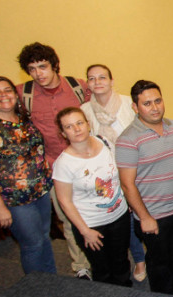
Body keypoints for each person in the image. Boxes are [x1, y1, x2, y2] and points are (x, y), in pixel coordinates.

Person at [0, 43, 92, 279]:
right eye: (32, 69)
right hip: (50, 174)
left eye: (42, 67)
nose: (38, 74)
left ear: (54, 65)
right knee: (65, 222)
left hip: (68, 173)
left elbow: (100, 102)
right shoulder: (23, 93)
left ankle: (68, 272)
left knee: (78, 220)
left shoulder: (77, 87)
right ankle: (79, 266)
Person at [116, 80, 173, 297]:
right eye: (147, 103)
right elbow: (127, 184)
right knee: (159, 261)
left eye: (158, 101)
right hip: (153, 214)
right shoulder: (128, 140)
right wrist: (145, 217)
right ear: (135, 107)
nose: (155, 107)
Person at [0, 76, 56, 274]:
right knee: (32, 244)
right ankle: (37, 286)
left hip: (41, 191)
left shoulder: (24, 120)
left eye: (7, 90)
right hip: (15, 200)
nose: (4, 95)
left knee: (44, 237)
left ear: (15, 95)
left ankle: (52, 279)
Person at [80, 64, 145, 283]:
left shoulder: (128, 103)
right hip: (106, 175)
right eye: (92, 78)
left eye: (102, 77)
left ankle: (148, 256)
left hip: (135, 167)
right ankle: (137, 259)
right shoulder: (85, 111)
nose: (97, 82)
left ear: (111, 81)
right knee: (123, 219)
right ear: (87, 84)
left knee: (140, 214)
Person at [52, 107, 132, 286]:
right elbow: (65, 201)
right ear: (63, 134)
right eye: (69, 127)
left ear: (88, 124)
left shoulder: (104, 142)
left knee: (121, 262)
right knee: (102, 270)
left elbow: (118, 174)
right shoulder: (64, 164)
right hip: (92, 225)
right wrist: (85, 231)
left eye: (79, 123)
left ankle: (126, 294)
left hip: (119, 216)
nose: (77, 129)